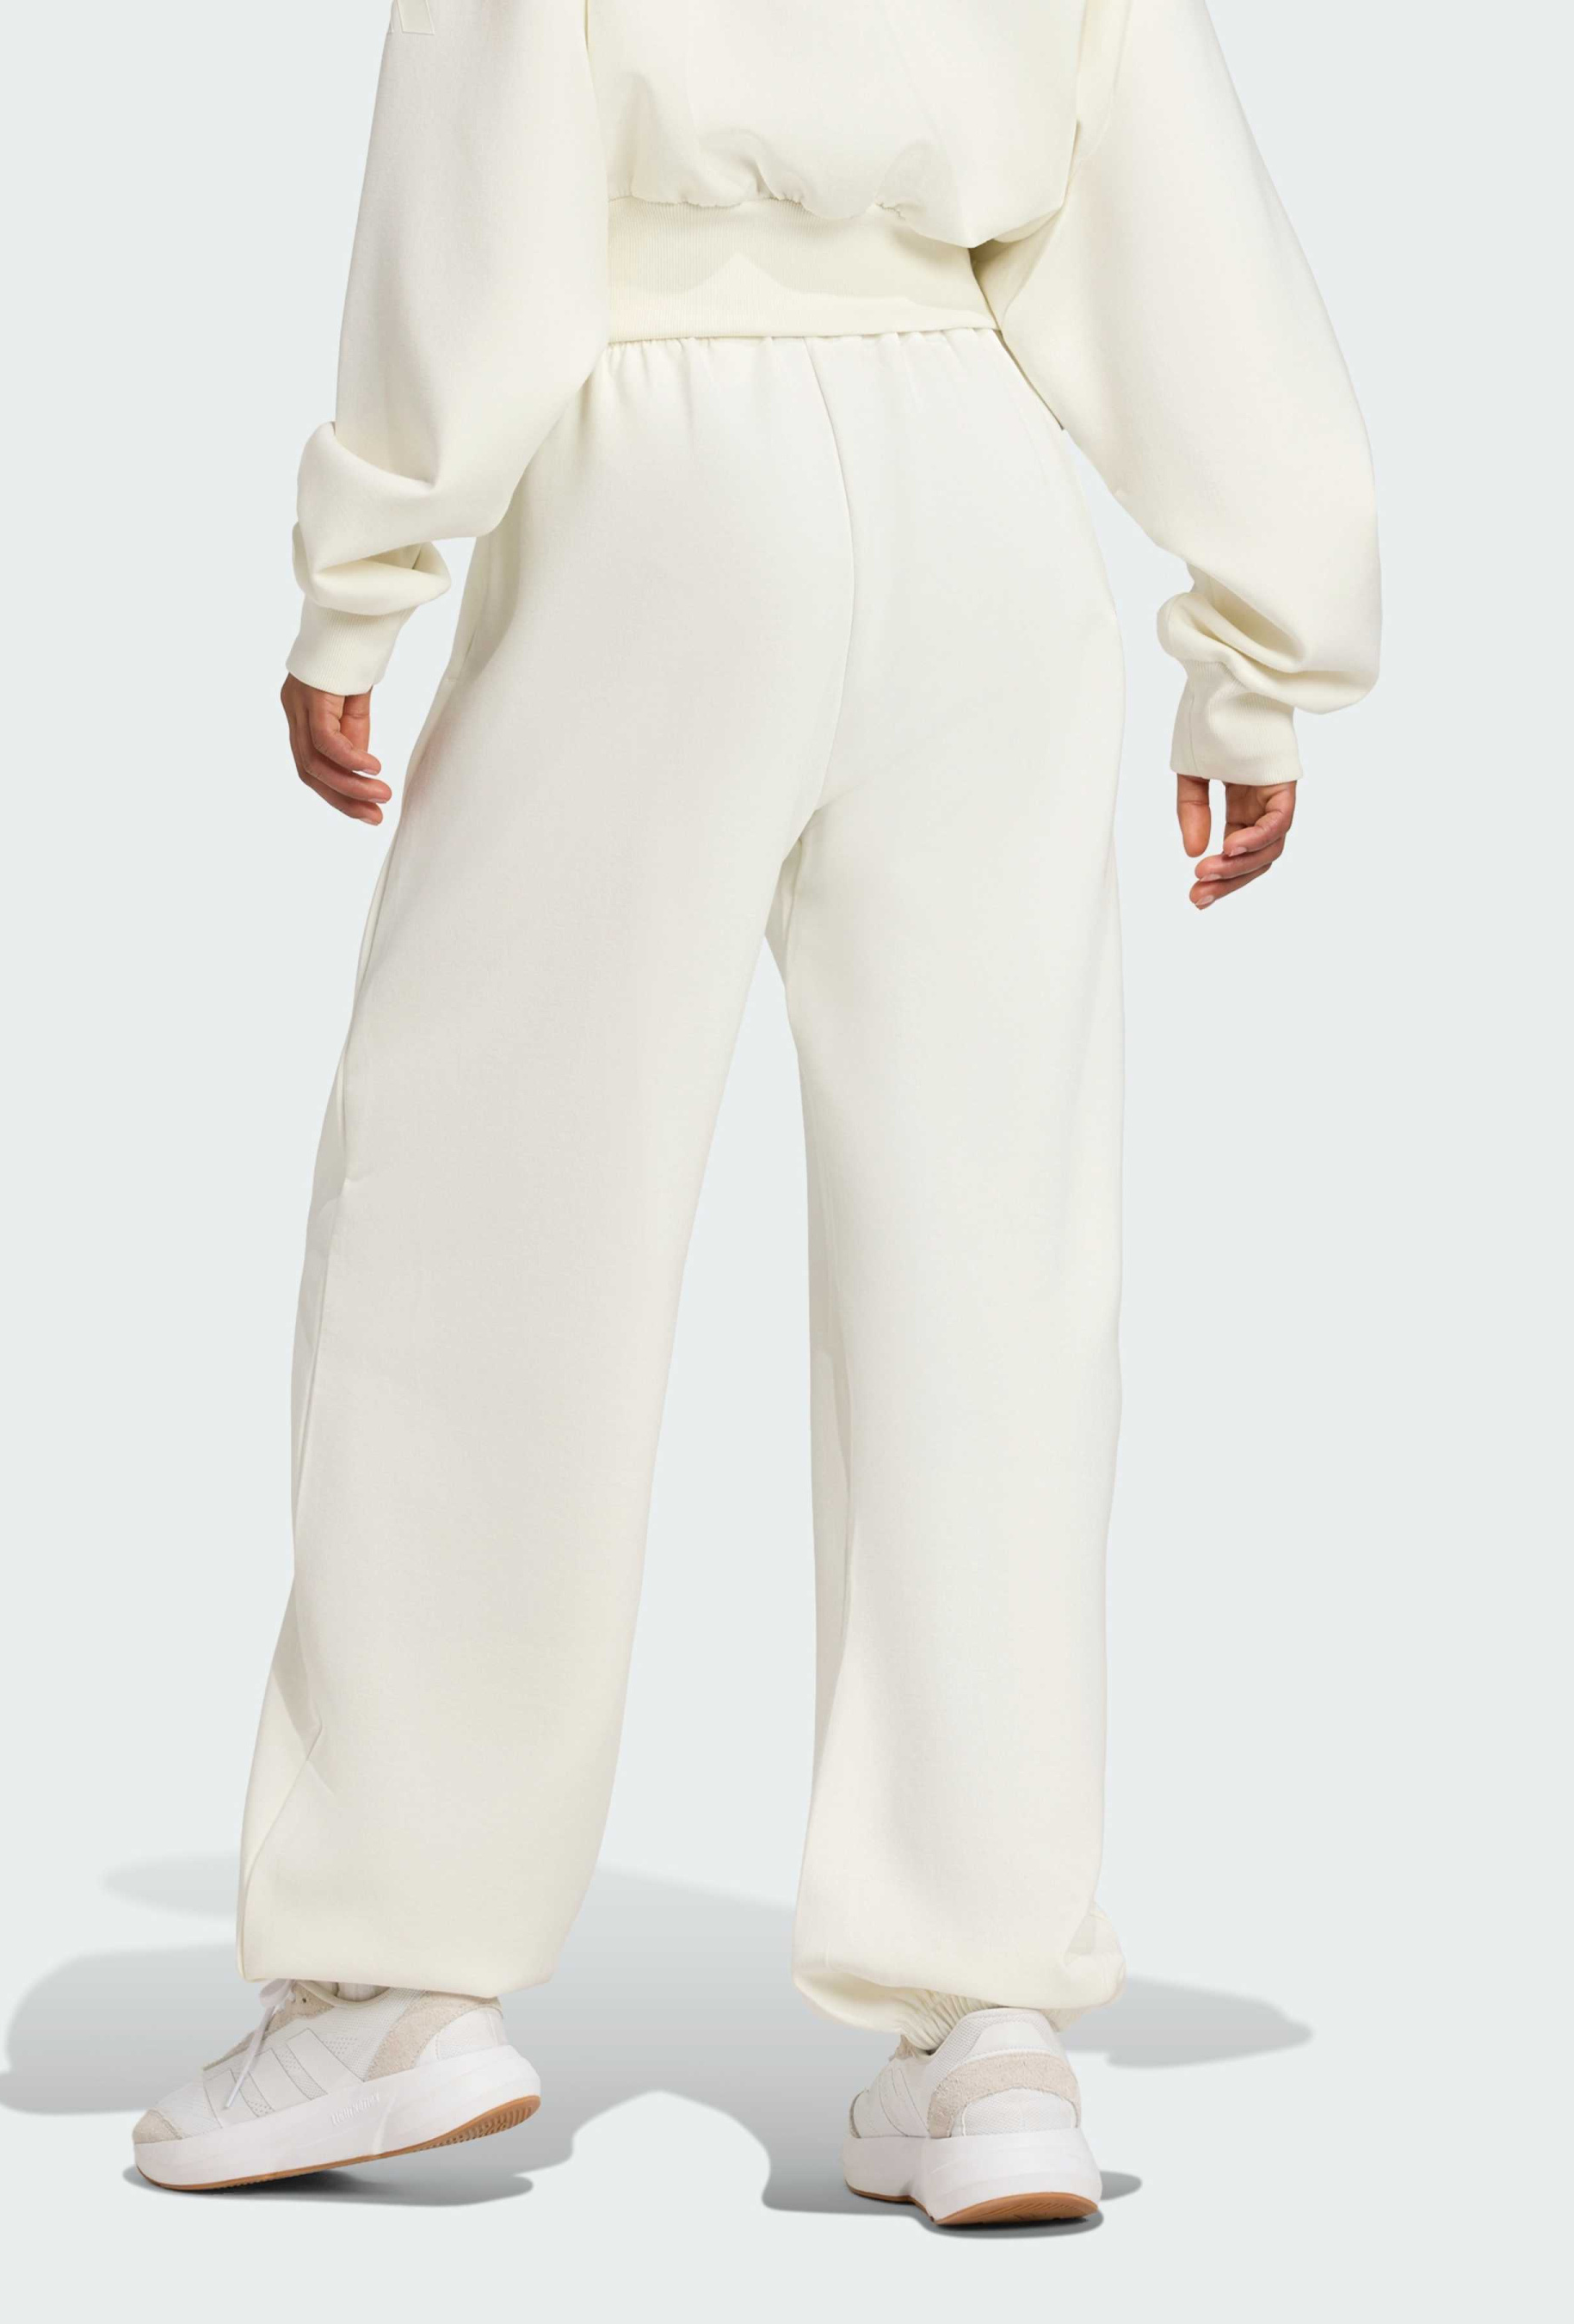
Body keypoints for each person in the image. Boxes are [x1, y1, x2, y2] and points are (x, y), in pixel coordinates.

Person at [133, 0, 1377, 2222]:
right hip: (976, 477)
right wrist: (1267, 635)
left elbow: (482, 171)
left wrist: (363, 570)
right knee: (988, 1257)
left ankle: (397, 1976)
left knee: (488, 1212)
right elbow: (1161, 184)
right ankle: (989, 2029)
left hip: (651, 466)